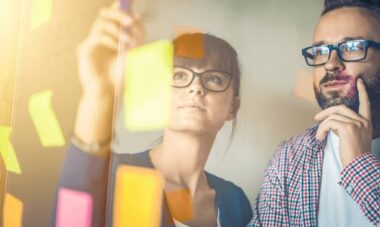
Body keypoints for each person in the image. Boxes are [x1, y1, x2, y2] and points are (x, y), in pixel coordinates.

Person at [50, 1, 252, 226]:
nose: (196, 87)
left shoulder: (236, 202)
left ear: (233, 108)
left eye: (214, 78)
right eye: (178, 76)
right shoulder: (115, 174)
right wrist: (99, 95)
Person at [249, 0, 380, 226]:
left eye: (352, 48)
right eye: (320, 51)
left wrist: (360, 165)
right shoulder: (289, 159)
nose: (330, 64)